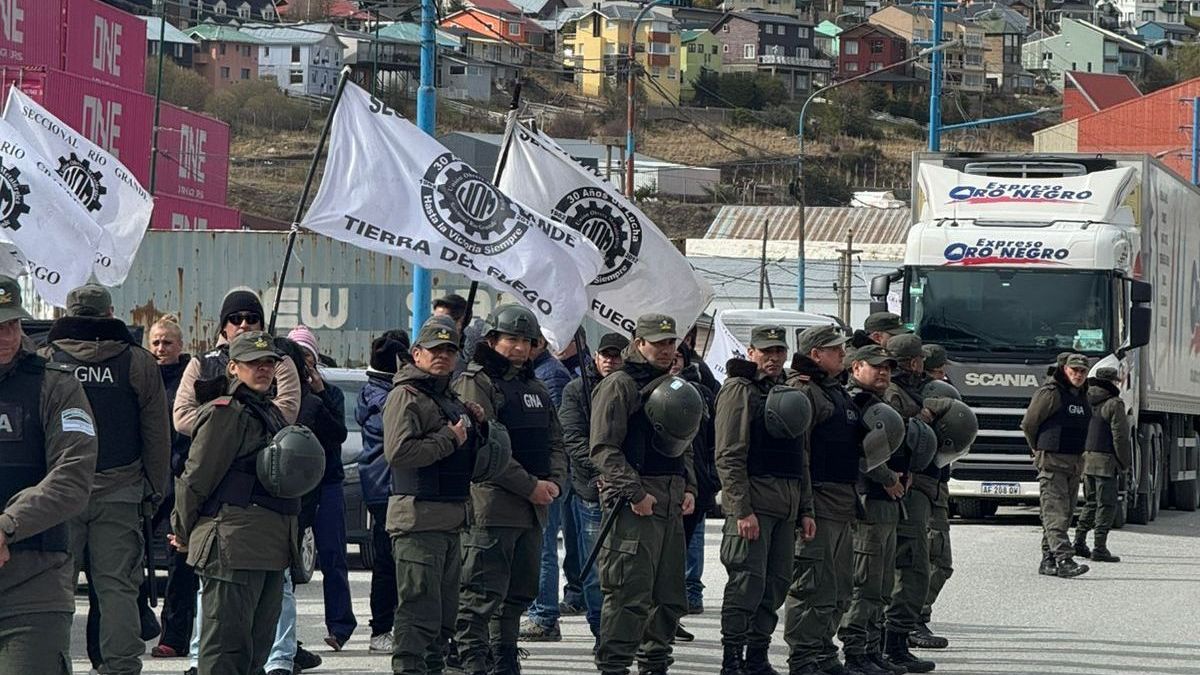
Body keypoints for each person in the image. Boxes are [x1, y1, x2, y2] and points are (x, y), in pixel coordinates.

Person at [174, 290, 318, 675]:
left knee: (255, 653)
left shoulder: (269, 413)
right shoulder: (225, 413)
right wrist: (182, 528)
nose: (264, 368)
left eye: (269, 362)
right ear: (233, 367)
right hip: (232, 545)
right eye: (254, 362)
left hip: (270, 546)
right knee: (224, 654)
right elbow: (197, 476)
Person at [43, 284, 171, 675]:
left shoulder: (47, 359)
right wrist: (154, 489)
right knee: (118, 588)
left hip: (58, 495)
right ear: (111, 312)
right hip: (120, 490)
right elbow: (156, 434)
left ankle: (47, 663)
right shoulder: (137, 362)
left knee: (54, 590)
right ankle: (120, 666)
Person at [453, 304, 568, 675]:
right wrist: (531, 485)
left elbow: (555, 440)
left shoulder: (534, 385)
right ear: (492, 340)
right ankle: (472, 662)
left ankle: (504, 658)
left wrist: (554, 482)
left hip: (532, 508)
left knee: (519, 593)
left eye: (526, 340)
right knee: (480, 594)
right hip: (493, 506)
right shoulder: (476, 381)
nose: (519, 348)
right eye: (511, 339)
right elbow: (487, 447)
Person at [0, 275, 99, 674]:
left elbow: (74, 475)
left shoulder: (54, 384)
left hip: (33, 586)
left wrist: (8, 526)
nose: (5, 335)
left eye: (11, 324)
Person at [590, 314, 697, 675]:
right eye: (658, 342)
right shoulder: (619, 385)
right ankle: (615, 666)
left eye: (671, 342)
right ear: (639, 344)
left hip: (670, 498)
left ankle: (655, 664)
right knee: (628, 595)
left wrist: (689, 486)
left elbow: (685, 445)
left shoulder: (673, 383)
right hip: (635, 502)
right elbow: (603, 449)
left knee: (668, 597)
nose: (667, 349)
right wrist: (634, 493)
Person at [385, 319, 488, 675]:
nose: (443, 356)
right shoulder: (406, 395)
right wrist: (450, 438)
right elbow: (398, 453)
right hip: (418, 520)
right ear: (417, 354)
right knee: (418, 613)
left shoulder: (449, 398)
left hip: (450, 519)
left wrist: (477, 425)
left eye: (450, 350)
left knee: (444, 619)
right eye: (435, 350)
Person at [714, 326, 814, 675]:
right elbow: (728, 454)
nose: (773, 358)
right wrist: (741, 509)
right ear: (751, 352)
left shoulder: (786, 392)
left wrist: (805, 509)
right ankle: (732, 659)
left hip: (785, 508)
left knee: (775, 587)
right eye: (766, 351)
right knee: (746, 585)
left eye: (779, 352)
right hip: (754, 507)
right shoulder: (739, 391)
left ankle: (756, 656)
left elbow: (800, 456)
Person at [835, 344, 926, 675]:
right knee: (867, 581)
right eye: (876, 367)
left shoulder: (878, 402)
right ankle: (856, 650)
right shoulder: (856, 402)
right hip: (870, 502)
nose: (884, 372)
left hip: (890, 502)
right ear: (857, 367)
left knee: (883, 582)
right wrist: (887, 477)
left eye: (888, 367)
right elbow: (862, 454)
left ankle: (873, 649)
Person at [783, 325, 859, 675]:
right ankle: (803, 656)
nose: (842, 355)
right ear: (816, 354)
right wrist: (805, 508)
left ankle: (824, 649)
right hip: (820, 501)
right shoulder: (804, 391)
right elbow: (802, 455)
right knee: (812, 585)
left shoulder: (834, 391)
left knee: (840, 586)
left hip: (843, 502)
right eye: (835, 350)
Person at [288, 325, 356, 651]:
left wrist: (321, 395)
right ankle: (287, 632)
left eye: (308, 358)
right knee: (286, 561)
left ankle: (340, 626)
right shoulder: (283, 394)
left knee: (332, 555)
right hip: (292, 488)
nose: (303, 365)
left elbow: (337, 434)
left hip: (327, 482)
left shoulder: (332, 394)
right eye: (296, 358)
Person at [558, 332, 628, 640]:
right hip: (591, 489)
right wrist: (604, 470)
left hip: (627, 490)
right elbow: (572, 438)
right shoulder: (576, 390)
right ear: (596, 357)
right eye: (606, 355)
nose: (611, 361)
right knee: (595, 565)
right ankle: (601, 630)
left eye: (616, 355)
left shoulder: (630, 389)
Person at [878, 334, 941, 674]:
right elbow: (895, 436)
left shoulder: (909, 391)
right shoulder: (895, 395)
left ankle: (896, 642)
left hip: (913, 483)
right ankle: (892, 643)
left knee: (913, 564)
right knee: (910, 564)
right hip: (902, 487)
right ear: (913, 362)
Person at [148, 316, 201, 659]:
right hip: (146, 481)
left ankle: (175, 636)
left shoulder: (191, 380)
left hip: (180, 482)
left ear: (180, 346)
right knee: (128, 557)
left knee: (179, 564)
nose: (160, 349)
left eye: (167, 343)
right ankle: (140, 619)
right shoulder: (142, 376)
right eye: (155, 342)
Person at [358, 329, 412, 654]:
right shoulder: (384, 397)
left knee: (396, 561)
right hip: (386, 488)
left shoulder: (377, 393)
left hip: (387, 487)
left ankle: (393, 625)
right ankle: (381, 628)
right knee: (388, 562)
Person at [521, 340, 575, 642]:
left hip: (546, 476)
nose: (517, 348)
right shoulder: (536, 373)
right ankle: (537, 610)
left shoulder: (550, 375)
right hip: (534, 476)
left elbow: (555, 430)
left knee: (543, 548)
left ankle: (544, 615)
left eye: (523, 341)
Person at [1020, 353, 1092, 578]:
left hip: (1073, 462)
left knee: (1065, 513)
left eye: (1082, 371)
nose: (1078, 375)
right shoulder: (1050, 393)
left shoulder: (1082, 395)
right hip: (1052, 460)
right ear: (1064, 369)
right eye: (1074, 370)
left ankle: (1048, 559)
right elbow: (1029, 423)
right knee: (1055, 513)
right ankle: (1065, 559)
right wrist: (1037, 448)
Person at [671, 344, 718, 633]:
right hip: (665, 487)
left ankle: (672, 616)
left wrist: (712, 481)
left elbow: (714, 441)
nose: (672, 361)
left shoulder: (703, 393)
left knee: (680, 556)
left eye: (677, 356)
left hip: (696, 486)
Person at [914, 343, 954, 651]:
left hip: (938, 482)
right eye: (938, 370)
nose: (943, 375)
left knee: (940, 562)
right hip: (919, 484)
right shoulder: (913, 397)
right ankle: (910, 620)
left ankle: (914, 616)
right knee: (928, 559)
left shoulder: (943, 392)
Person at [1074, 367, 1131, 563]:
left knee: (1090, 503)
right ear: (1113, 382)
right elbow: (1120, 437)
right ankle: (1100, 547)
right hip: (1106, 462)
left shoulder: (1084, 399)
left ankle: (1079, 542)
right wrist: (1124, 462)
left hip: (1087, 459)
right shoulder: (1114, 404)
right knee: (1106, 504)